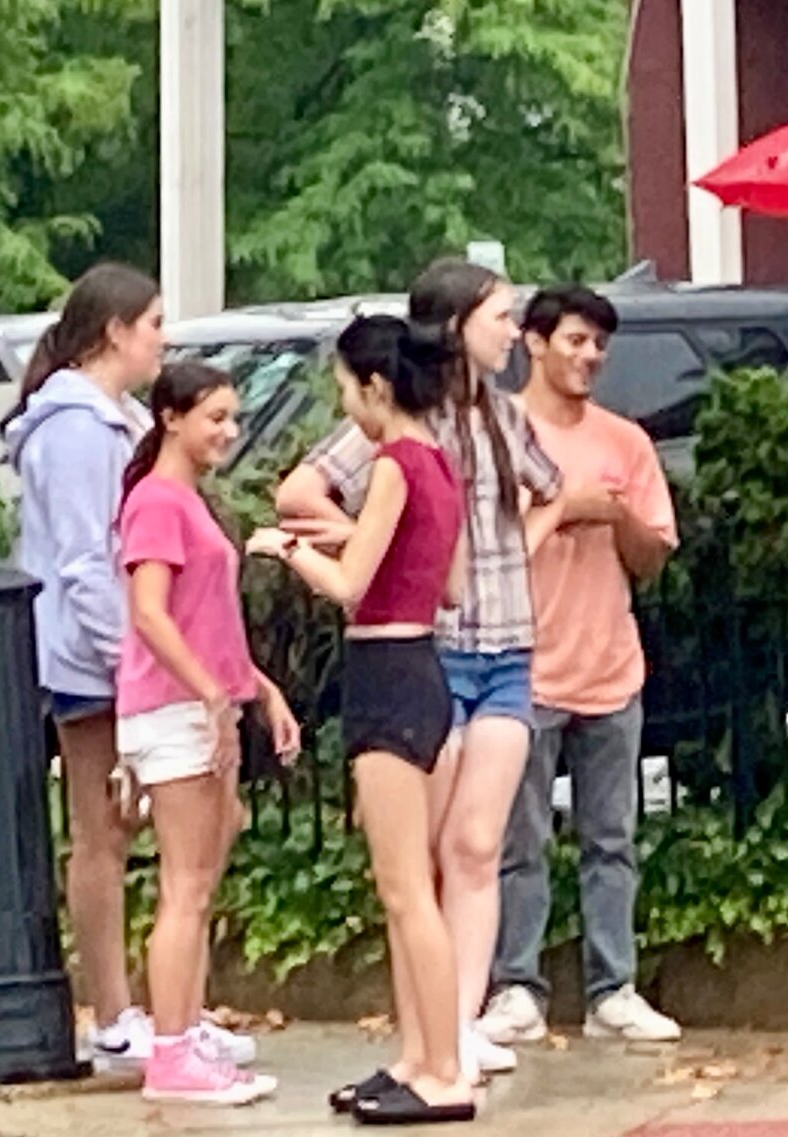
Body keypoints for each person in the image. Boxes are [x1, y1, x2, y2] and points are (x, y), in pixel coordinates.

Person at [274, 259, 562, 1081]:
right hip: (436, 649)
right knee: (425, 855)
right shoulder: (403, 427)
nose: (512, 332)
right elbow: (304, 489)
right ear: (454, 323)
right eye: (500, 316)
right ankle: (431, 1037)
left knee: (474, 842)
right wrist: (364, 535)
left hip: (500, 644)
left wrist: (518, 549)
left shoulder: (501, 421)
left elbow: (551, 492)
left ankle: (456, 1027)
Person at [1, 263, 252, 1072]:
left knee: (152, 828)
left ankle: (168, 1009)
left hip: (122, 657)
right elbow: (84, 562)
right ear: (113, 331)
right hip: (94, 656)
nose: (162, 339)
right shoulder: (75, 427)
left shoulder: (106, 419)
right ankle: (114, 1013)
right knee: (103, 829)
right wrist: (129, 660)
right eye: (152, 324)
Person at [251, 316, 475, 1124]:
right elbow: (446, 583)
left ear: (376, 387)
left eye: (346, 390)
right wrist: (356, 543)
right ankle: (417, 1055)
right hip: (425, 670)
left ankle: (445, 1068)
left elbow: (347, 585)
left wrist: (284, 547)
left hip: (385, 672)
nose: (346, 405)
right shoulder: (441, 465)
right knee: (406, 884)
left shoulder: (393, 464)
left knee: (408, 888)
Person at [479, 285, 681, 1046]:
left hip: (609, 663)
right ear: (533, 343)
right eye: (574, 340)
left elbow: (653, 557)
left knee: (611, 836)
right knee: (515, 839)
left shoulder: (625, 441)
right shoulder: (497, 431)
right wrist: (560, 507)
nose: (589, 356)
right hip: (522, 667)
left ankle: (614, 986)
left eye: (599, 344)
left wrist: (617, 512)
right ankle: (516, 985)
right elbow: (485, 552)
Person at [117, 362, 299, 1104]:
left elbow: (205, 620)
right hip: (174, 707)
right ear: (170, 418)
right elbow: (151, 612)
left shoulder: (187, 500)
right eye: (214, 417)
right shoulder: (159, 503)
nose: (228, 430)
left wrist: (258, 688)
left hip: (202, 700)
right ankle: (170, 1051)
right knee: (185, 885)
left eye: (231, 417)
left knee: (202, 872)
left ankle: (184, 1031)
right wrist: (209, 696)